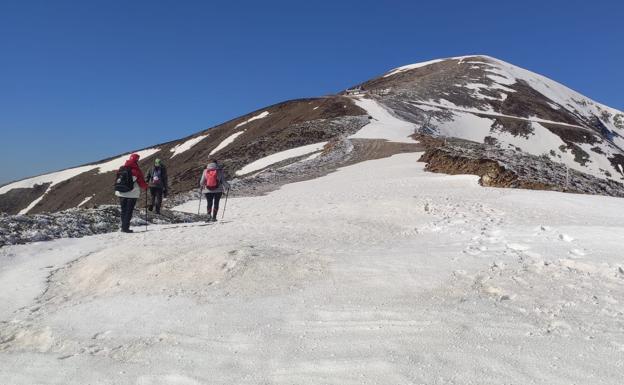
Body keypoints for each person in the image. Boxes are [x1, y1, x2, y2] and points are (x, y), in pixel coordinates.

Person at [115, 153, 148, 233]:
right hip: (132, 194)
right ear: (136, 160)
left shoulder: (121, 168)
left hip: (121, 192)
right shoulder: (136, 171)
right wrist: (146, 186)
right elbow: (141, 183)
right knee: (128, 211)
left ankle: (123, 227)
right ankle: (125, 228)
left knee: (123, 210)